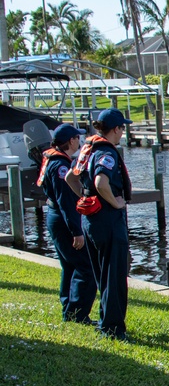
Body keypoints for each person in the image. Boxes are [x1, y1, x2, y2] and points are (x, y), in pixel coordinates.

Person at [65, 108, 132, 340]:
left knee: (102, 275)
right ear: (115, 129)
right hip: (107, 221)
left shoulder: (88, 148)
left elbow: (70, 177)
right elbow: (101, 181)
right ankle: (112, 329)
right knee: (114, 277)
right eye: (122, 128)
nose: (123, 132)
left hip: (90, 220)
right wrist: (115, 203)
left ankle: (105, 321)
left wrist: (84, 196)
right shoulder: (107, 153)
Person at [37, 123, 96, 324]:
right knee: (85, 267)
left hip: (54, 216)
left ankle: (69, 311)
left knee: (69, 266)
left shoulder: (51, 159)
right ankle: (78, 314)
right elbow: (66, 202)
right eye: (77, 138)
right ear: (70, 141)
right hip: (63, 220)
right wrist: (76, 231)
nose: (79, 141)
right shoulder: (61, 166)